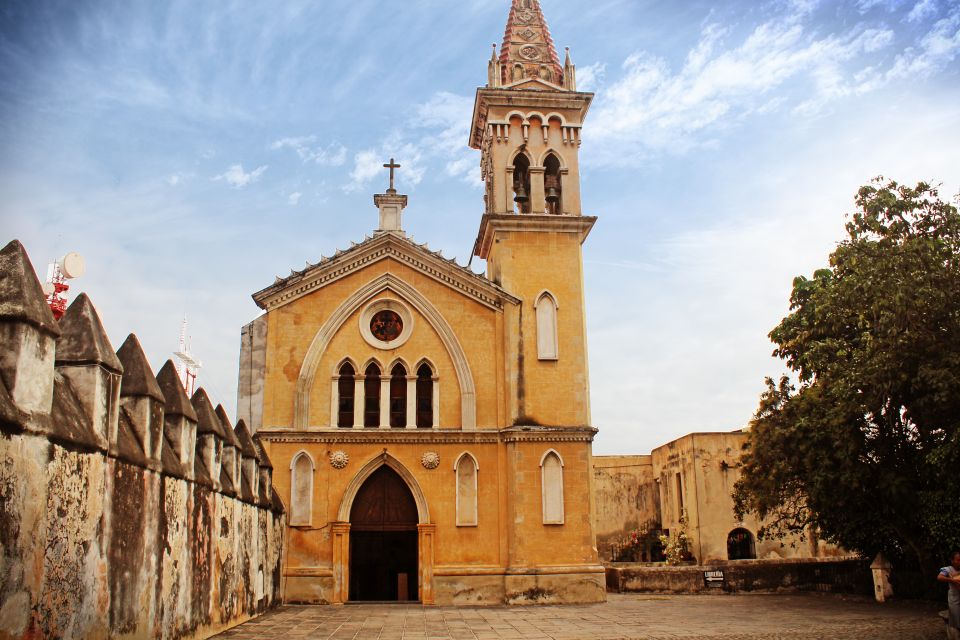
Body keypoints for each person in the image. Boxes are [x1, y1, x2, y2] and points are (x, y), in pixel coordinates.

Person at [939, 550, 960, 635]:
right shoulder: (948, 569)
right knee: (955, 620)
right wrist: (952, 580)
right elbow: (939, 577)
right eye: (958, 560)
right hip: (954, 599)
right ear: (952, 561)